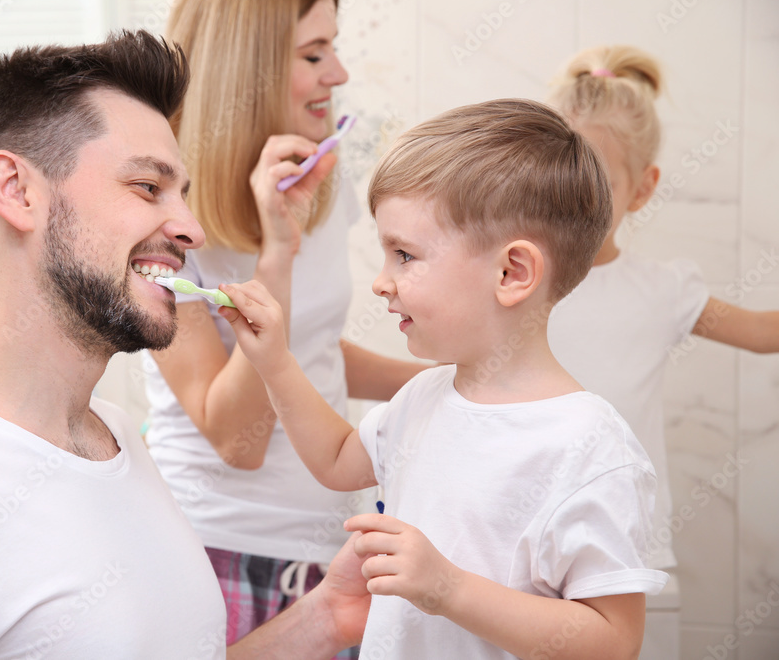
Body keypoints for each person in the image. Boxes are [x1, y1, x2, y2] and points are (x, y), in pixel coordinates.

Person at [0, 31, 371, 659]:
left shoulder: (116, 442)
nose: (190, 229)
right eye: (148, 186)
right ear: (16, 189)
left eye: (183, 196)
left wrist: (326, 617)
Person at [216, 99, 669, 658]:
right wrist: (275, 362)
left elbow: (614, 640)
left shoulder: (589, 447)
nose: (381, 283)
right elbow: (336, 459)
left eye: (404, 255)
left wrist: (448, 588)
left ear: (511, 273)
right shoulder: (425, 396)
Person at [142, 0, 427, 647]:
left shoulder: (319, 181)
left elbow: (312, 347)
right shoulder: (163, 225)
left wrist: (454, 377)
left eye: (334, 46)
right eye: (313, 54)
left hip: (331, 546)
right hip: (226, 550)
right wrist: (276, 252)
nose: (339, 73)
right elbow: (237, 437)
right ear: (248, 69)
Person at [546, 45, 779, 571]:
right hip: (519, 533)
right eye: (557, 174)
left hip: (620, 542)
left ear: (641, 188)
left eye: (597, 183)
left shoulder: (662, 291)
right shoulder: (509, 279)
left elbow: (763, 333)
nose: (571, 200)